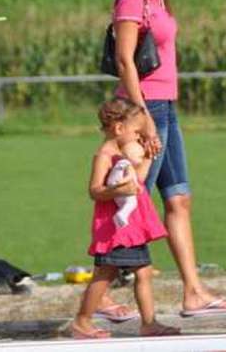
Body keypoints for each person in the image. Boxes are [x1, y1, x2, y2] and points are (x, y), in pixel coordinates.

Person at [101, 0, 226, 319]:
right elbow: (125, 60)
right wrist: (141, 119)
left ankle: (193, 292)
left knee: (179, 198)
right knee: (131, 198)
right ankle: (102, 295)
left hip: (165, 107)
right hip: (146, 109)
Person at [71, 98, 179, 339]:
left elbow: (138, 182)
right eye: (136, 131)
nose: (139, 136)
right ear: (119, 128)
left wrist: (150, 157)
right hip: (115, 226)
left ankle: (149, 323)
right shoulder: (105, 155)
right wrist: (118, 191)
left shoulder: (123, 153)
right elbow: (95, 190)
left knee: (143, 271)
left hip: (133, 225)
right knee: (105, 272)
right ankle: (82, 321)